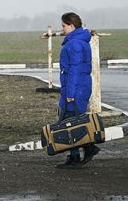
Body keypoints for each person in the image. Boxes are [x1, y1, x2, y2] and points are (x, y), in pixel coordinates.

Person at [56, 12, 100, 169]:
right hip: (79, 86)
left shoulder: (74, 43)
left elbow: (74, 70)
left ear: (72, 25)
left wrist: (69, 93)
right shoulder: (79, 41)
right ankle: (78, 153)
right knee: (72, 121)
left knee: (70, 122)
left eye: (63, 25)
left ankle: (82, 152)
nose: (62, 29)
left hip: (76, 88)